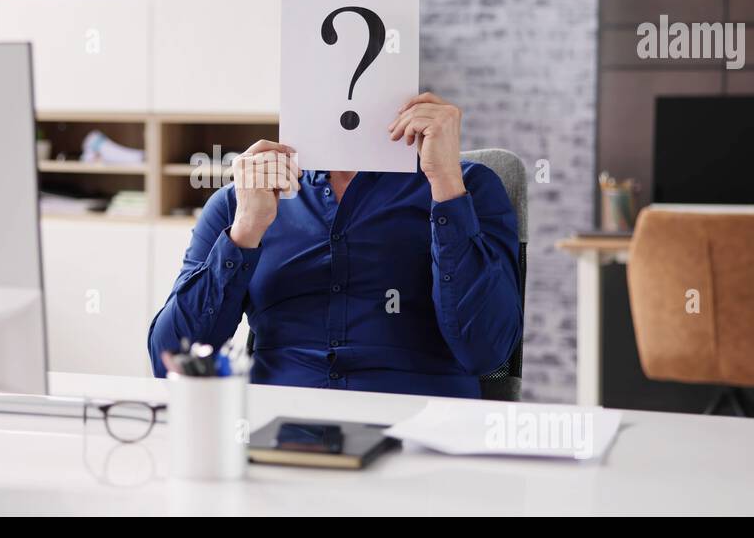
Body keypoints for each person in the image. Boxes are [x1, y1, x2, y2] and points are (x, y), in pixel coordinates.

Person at [147, 91, 523, 398]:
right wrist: (245, 231)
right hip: (280, 428)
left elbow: (486, 351)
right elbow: (170, 362)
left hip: (419, 426)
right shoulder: (238, 201)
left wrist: (445, 184)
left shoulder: (467, 187)